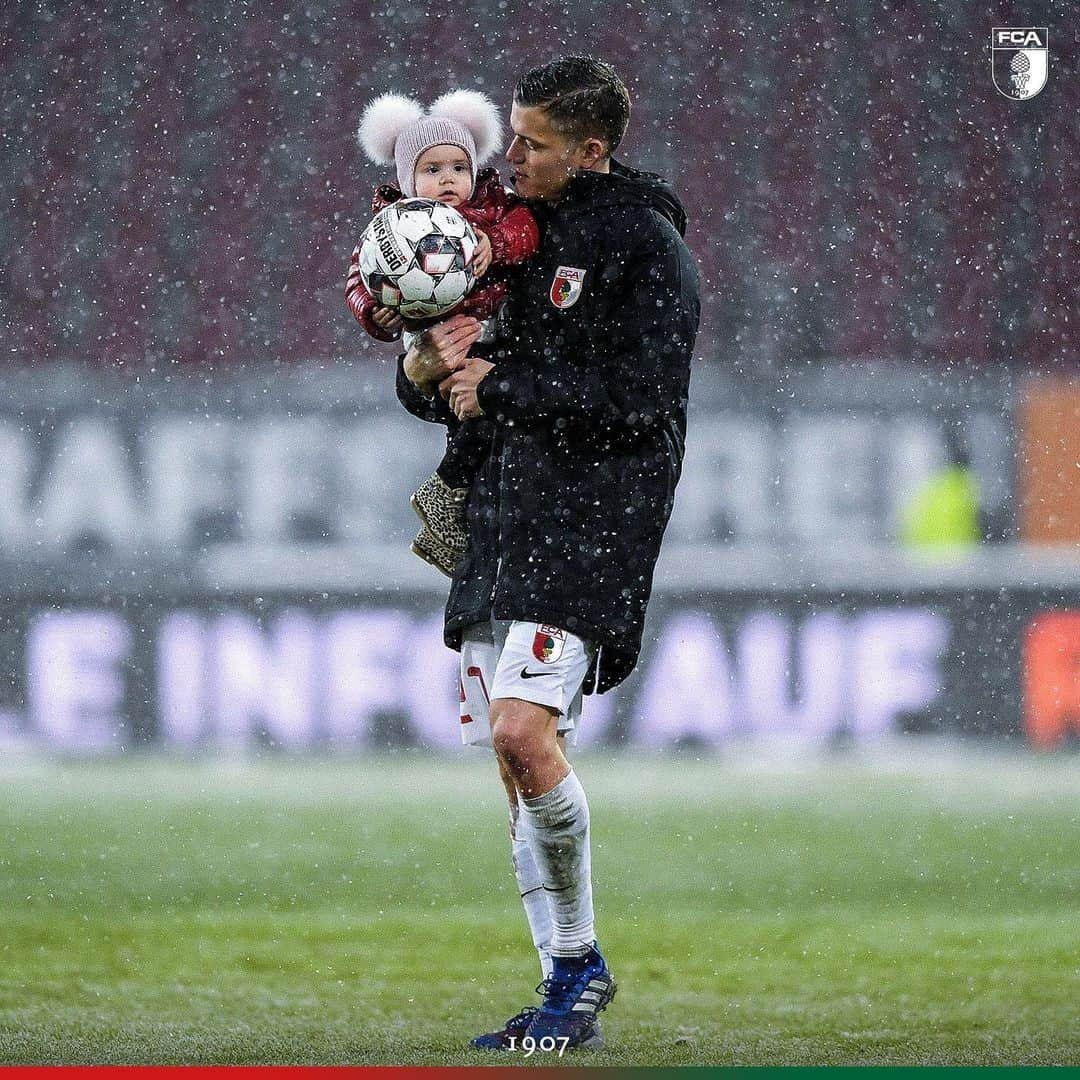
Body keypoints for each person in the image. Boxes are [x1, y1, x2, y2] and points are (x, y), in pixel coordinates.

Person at [396, 56, 700, 1052]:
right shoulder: (507, 236)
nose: (508, 155)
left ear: (592, 151)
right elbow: (456, 376)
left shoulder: (645, 249)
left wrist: (508, 392)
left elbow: (641, 407)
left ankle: (580, 971)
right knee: (514, 764)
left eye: (529, 141)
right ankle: (564, 986)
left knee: (522, 735)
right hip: (503, 511)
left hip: (593, 519)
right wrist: (424, 364)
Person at [345, 91, 539, 575]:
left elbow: (526, 231)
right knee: (472, 407)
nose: (448, 179)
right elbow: (358, 279)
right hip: (436, 337)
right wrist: (375, 312)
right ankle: (448, 496)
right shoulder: (387, 231)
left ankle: (448, 494)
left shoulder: (496, 211)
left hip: (493, 332)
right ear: (407, 179)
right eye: (432, 170)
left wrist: (496, 245)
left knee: (481, 412)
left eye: (458, 167)